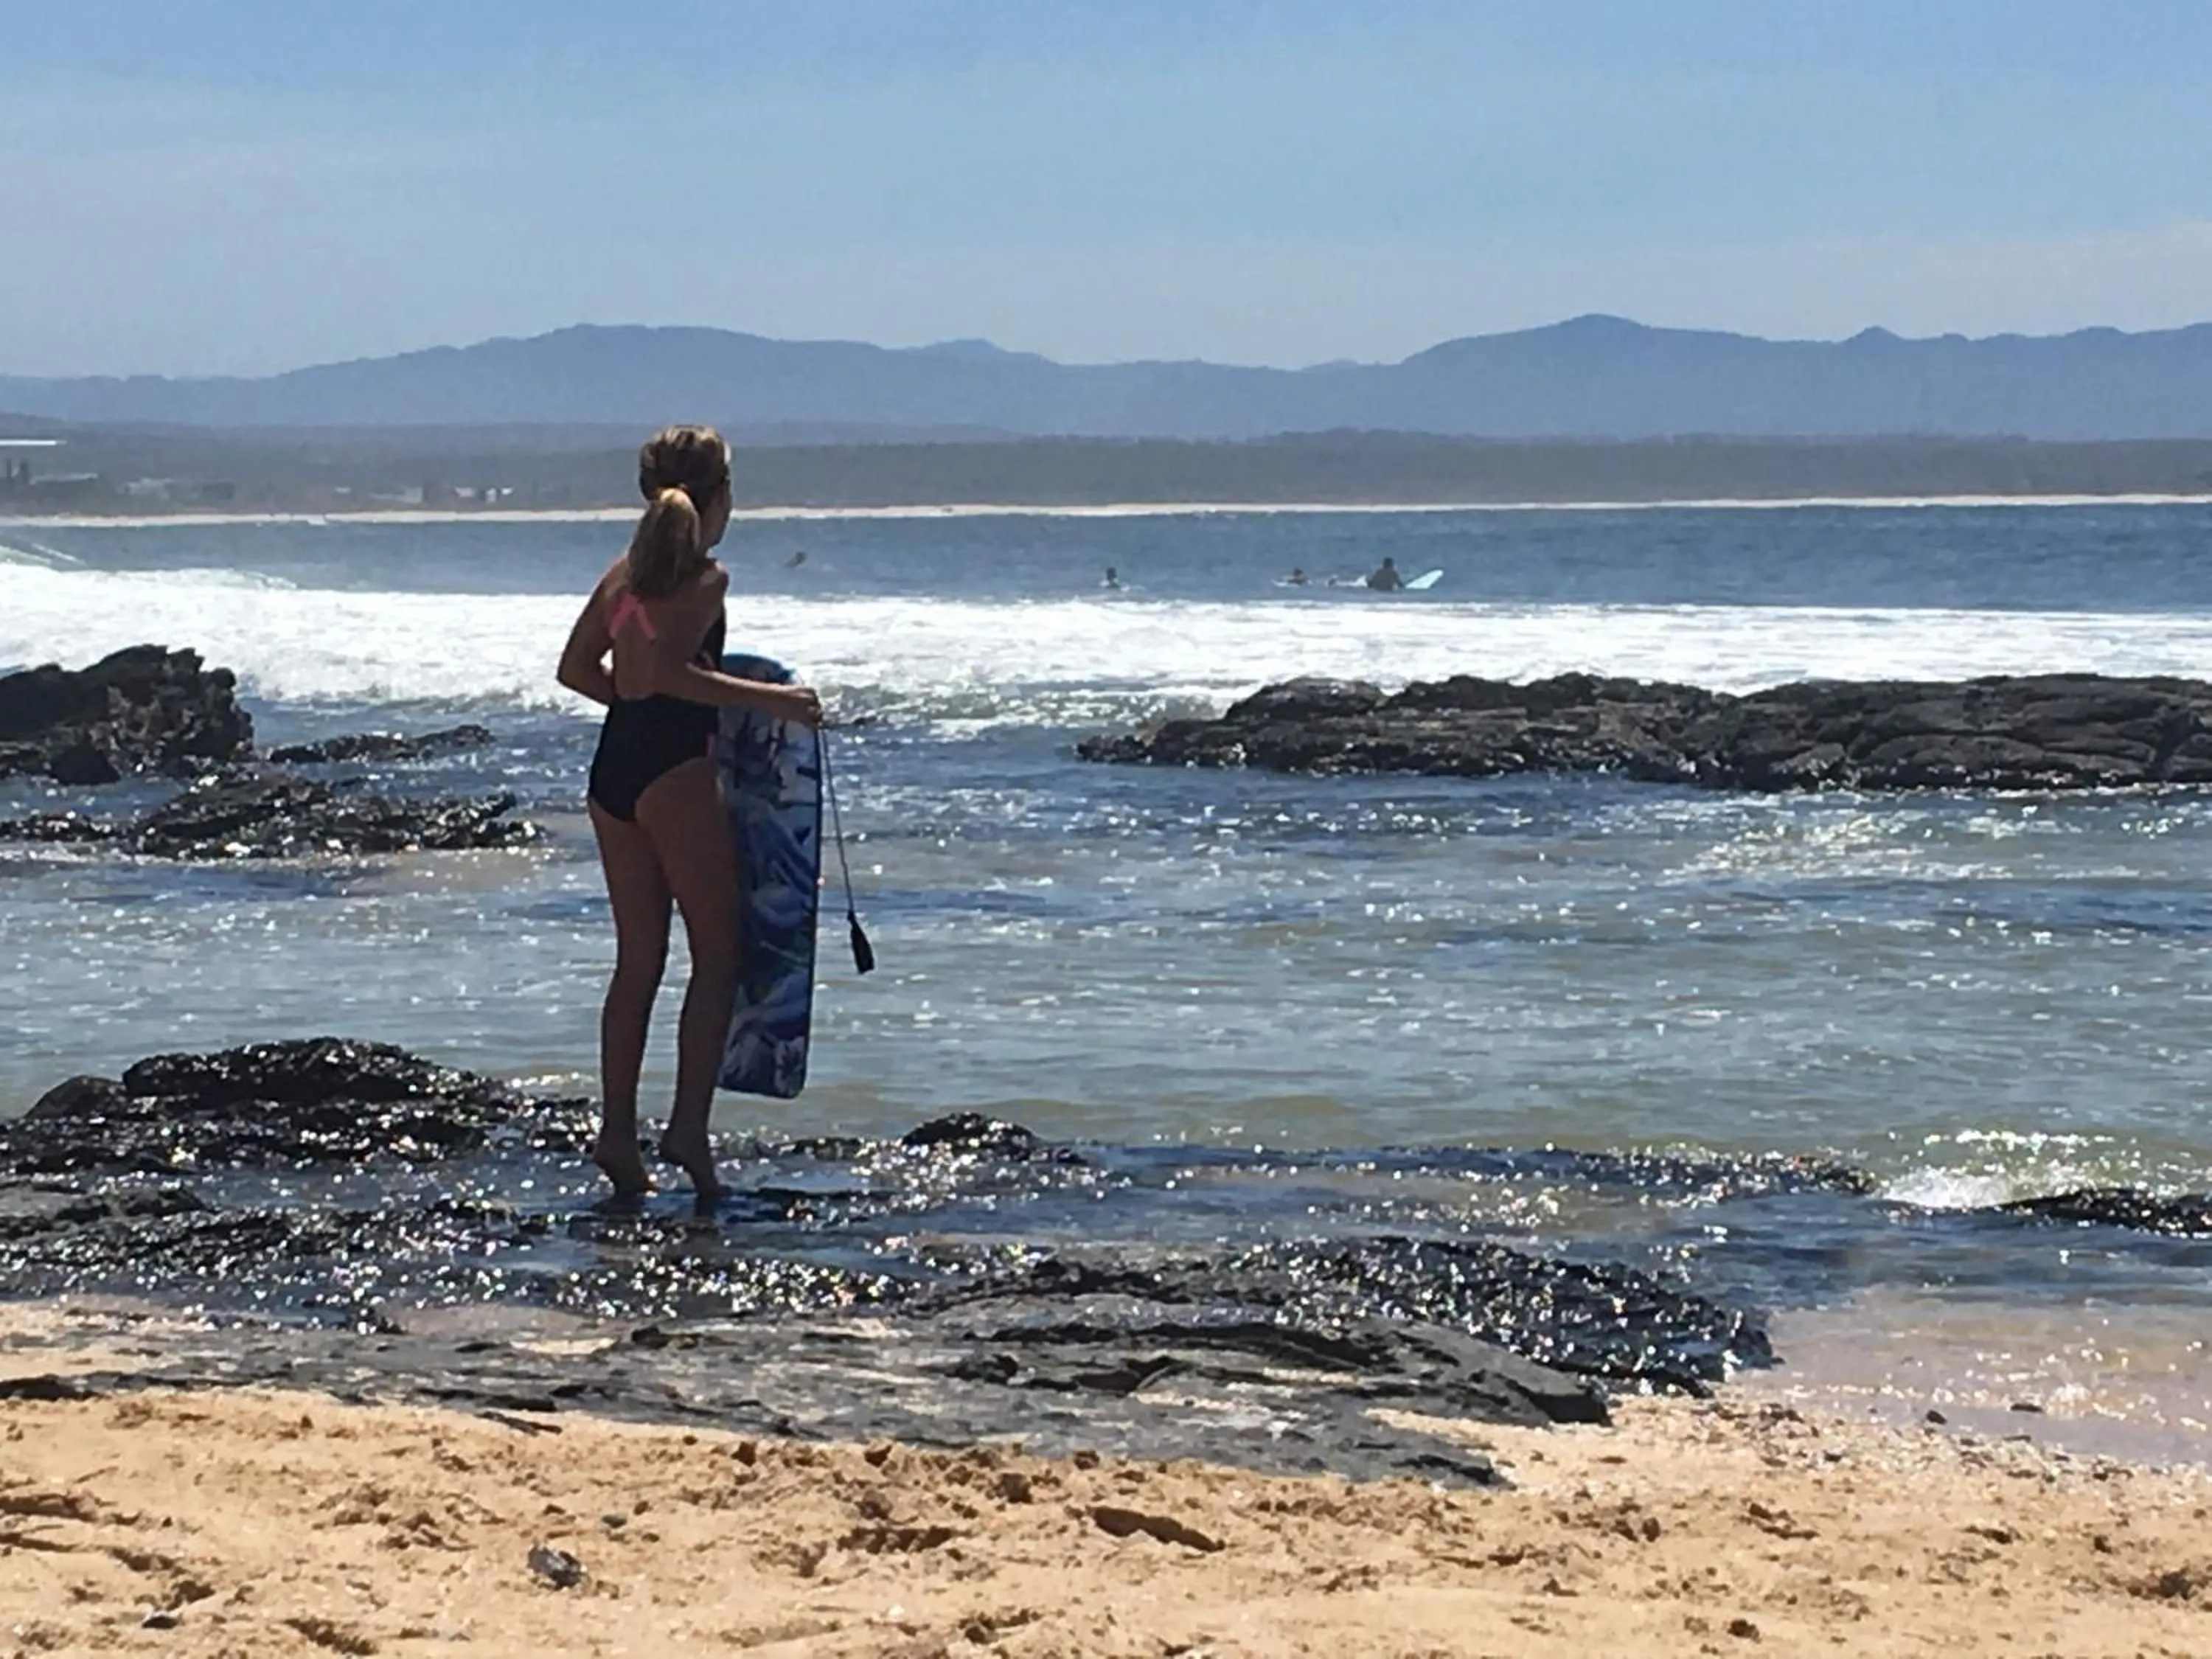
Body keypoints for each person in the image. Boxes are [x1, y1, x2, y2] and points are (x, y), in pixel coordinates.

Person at [556, 425, 822, 1200]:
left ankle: (617, 1137)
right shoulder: (707, 581)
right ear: (719, 497)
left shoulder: (621, 575)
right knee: (719, 955)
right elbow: (675, 671)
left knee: (639, 961)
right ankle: (686, 1133)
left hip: (613, 771)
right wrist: (775, 702)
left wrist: (636, 708)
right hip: (674, 775)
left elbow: (577, 670)